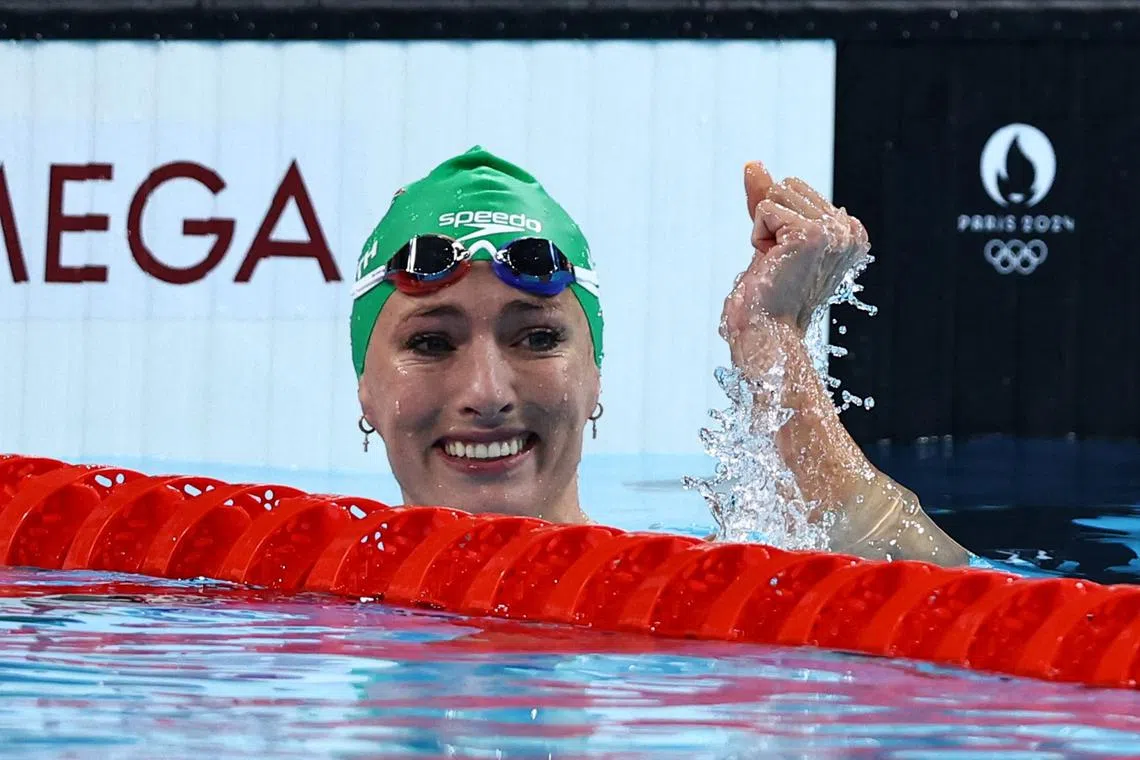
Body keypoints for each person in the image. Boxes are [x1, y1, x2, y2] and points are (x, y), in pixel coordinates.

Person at [351, 146, 970, 567]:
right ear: (365, 388)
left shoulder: (675, 589)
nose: (487, 394)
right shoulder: (286, 586)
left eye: (537, 338)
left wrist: (771, 339)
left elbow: (941, 597)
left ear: (595, 377)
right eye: (431, 343)